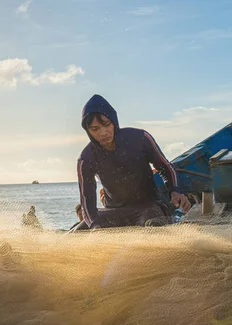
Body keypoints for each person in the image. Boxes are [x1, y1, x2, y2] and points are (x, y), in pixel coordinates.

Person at [77, 95, 191, 229]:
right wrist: (95, 226)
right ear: (88, 130)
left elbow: (165, 167)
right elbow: (87, 202)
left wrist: (175, 191)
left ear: (114, 121)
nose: (103, 133)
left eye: (106, 124)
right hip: (114, 212)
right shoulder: (86, 158)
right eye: (95, 129)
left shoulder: (140, 138)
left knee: (151, 224)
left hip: (148, 207)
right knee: (79, 233)